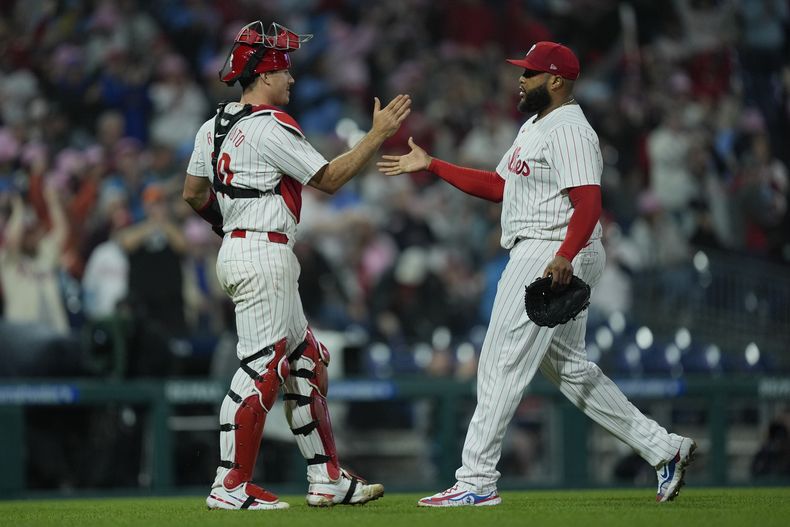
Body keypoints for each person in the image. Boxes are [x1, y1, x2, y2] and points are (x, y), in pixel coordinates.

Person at [378, 41, 696, 506]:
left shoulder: (570, 128)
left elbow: (590, 202)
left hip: (552, 247)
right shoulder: (535, 125)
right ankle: (664, 448)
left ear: (557, 80)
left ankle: (477, 480)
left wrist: (566, 254)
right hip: (549, 245)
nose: (520, 79)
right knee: (569, 368)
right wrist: (433, 165)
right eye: (522, 72)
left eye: (529, 73)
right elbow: (499, 186)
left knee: (500, 360)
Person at [182, 21, 410, 510]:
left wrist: (231, 229)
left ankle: (326, 478)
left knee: (306, 359)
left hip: (242, 249)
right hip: (264, 254)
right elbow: (329, 178)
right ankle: (229, 483)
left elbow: (193, 194)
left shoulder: (213, 124)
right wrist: (377, 136)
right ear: (264, 76)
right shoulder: (272, 125)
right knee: (262, 368)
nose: (291, 79)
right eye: (284, 70)